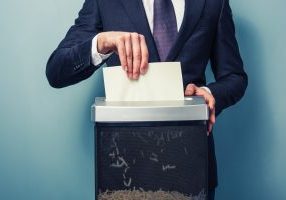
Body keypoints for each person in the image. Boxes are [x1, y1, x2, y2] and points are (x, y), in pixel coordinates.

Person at [46, 0, 248, 199]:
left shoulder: (214, 3)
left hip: (192, 168)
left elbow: (235, 77)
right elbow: (56, 70)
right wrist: (101, 43)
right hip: (125, 172)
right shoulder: (104, 2)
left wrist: (210, 93)